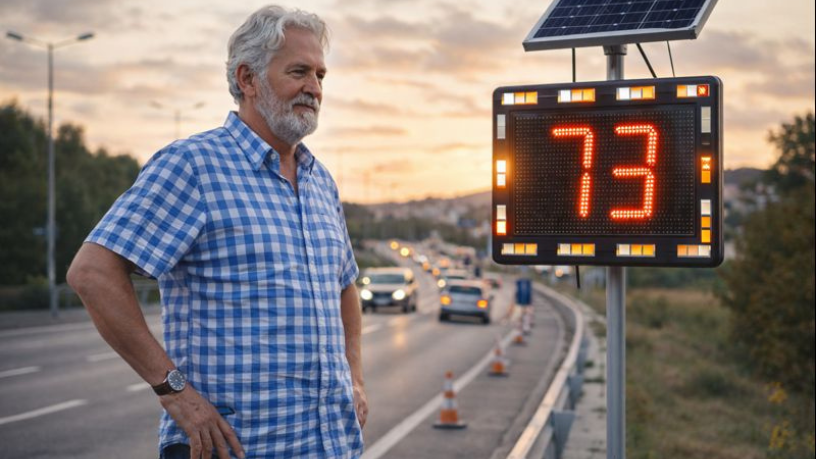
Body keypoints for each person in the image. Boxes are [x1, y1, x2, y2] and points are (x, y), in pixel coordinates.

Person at [67, 5, 367, 459]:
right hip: (233, 448)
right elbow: (92, 273)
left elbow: (344, 287)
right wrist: (174, 393)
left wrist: (355, 377)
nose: (315, 88)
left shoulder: (318, 179)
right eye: (300, 71)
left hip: (328, 446)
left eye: (321, 75)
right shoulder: (194, 165)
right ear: (248, 79)